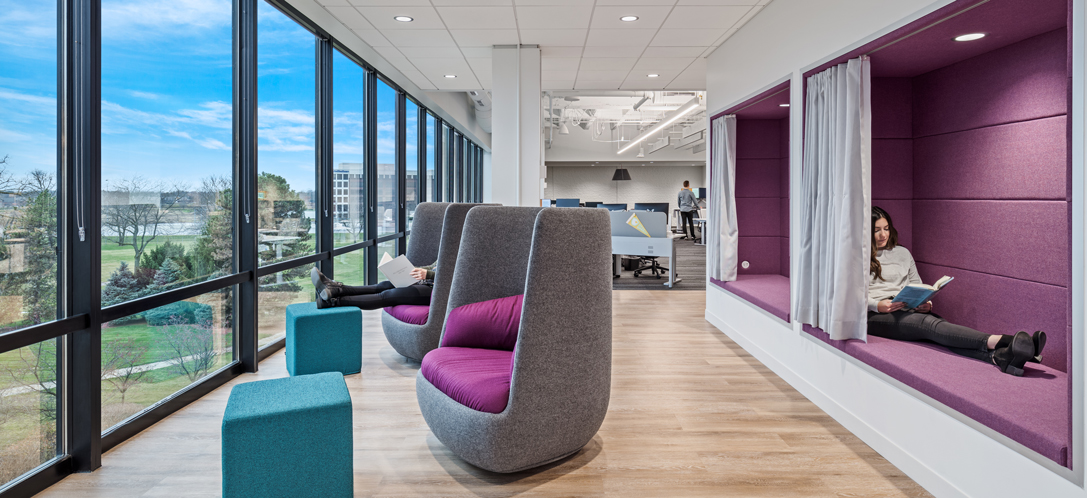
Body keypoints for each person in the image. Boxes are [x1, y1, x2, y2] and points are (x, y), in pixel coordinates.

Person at [867, 206, 1046, 377]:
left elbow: (916, 284)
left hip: (906, 307)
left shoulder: (902, 253)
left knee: (939, 330)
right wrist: (877, 305)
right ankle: (1008, 341)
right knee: (931, 326)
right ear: (866, 231)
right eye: (877, 230)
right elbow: (848, 294)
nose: (883, 234)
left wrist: (925, 302)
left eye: (886, 228)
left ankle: (1001, 357)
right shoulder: (860, 255)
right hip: (876, 316)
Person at [310, 264, 435, 310]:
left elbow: (452, 276)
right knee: (384, 285)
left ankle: (333, 302)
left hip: (438, 290)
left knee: (389, 295)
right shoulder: (451, 246)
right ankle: (335, 289)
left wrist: (428, 274)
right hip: (426, 281)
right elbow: (435, 265)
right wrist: (414, 269)